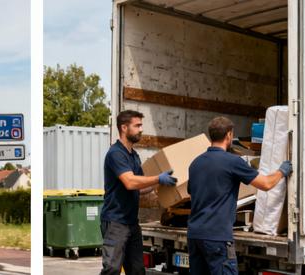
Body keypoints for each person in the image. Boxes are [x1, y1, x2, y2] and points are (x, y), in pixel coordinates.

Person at [187, 117, 291, 275]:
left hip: (194, 235)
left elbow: (191, 192)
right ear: (229, 135)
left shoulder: (195, 163)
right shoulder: (233, 162)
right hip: (217, 237)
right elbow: (266, 184)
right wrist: (282, 171)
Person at [101, 110, 178, 275]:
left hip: (131, 223)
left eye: (141, 125)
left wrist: (162, 186)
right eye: (137, 125)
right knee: (112, 269)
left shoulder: (134, 156)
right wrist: (158, 178)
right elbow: (130, 182)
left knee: (137, 270)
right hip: (115, 222)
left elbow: (140, 187)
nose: (141, 129)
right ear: (124, 128)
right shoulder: (116, 153)